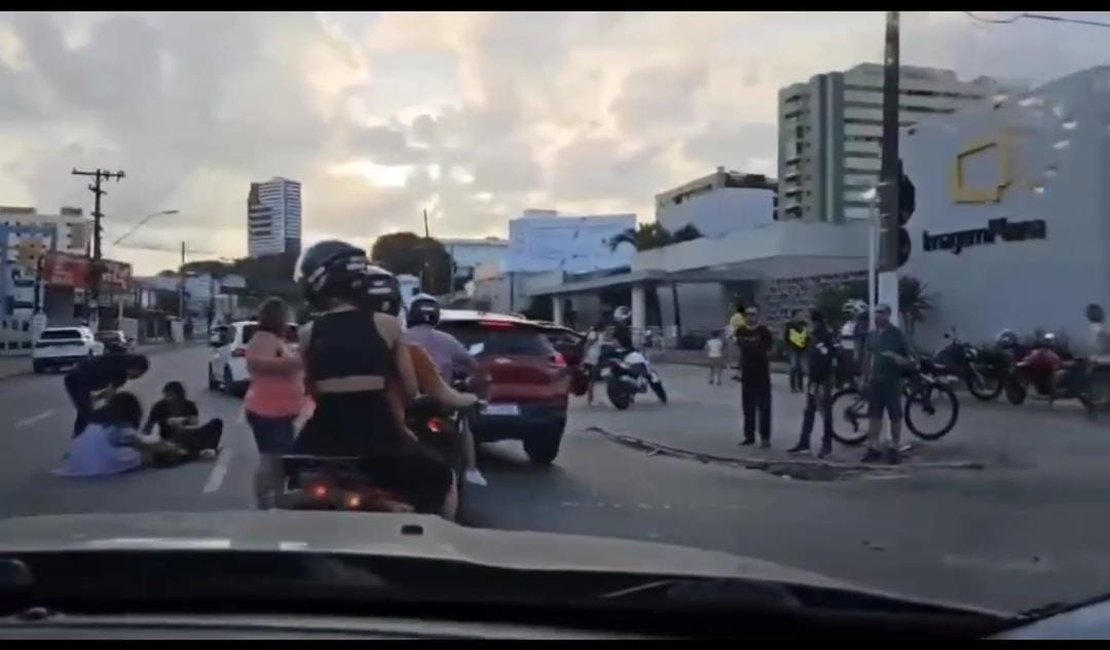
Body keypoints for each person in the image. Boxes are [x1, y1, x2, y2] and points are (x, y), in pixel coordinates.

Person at [292, 240, 457, 519]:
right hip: (380, 437)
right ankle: (438, 544)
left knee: (289, 473)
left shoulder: (308, 332)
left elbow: (308, 388)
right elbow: (410, 387)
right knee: (443, 477)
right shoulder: (388, 325)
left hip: (324, 437)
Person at [406, 293, 488, 487]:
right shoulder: (448, 340)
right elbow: (475, 367)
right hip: (441, 402)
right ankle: (471, 468)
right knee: (463, 425)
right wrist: (472, 391)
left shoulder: (400, 338)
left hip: (406, 402)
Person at [244, 297, 306, 510]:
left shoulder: (277, 340)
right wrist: (297, 362)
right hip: (267, 411)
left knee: (279, 461)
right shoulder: (262, 339)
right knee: (270, 460)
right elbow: (257, 364)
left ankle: (278, 499)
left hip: (279, 411)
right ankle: (263, 503)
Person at [55, 392, 193, 477]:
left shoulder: (97, 421)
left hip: (79, 464)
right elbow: (141, 443)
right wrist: (171, 447)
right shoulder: (118, 426)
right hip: (101, 465)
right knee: (147, 454)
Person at [861, 303, 914, 464]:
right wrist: (864, 377)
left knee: (895, 415)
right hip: (875, 381)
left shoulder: (896, 334)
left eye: (881, 313)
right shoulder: (872, 335)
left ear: (888, 315)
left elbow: (911, 358)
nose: (877, 316)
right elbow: (868, 356)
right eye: (876, 313)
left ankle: (894, 447)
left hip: (892, 381)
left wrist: (899, 359)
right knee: (874, 415)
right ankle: (873, 447)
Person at [788, 310, 839, 458]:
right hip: (813, 378)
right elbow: (797, 344)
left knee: (825, 412)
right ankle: (804, 442)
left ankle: (827, 444)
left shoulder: (825, 335)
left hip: (824, 378)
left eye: (808, 321)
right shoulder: (811, 335)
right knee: (809, 411)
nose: (807, 324)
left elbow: (834, 354)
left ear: (815, 321)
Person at [64, 353, 150, 439]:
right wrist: (111, 412)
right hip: (76, 381)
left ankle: (79, 435)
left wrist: (97, 398)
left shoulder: (121, 367)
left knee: (85, 412)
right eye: (139, 373)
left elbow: (109, 391)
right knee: (88, 414)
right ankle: (81, 437)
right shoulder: (119, 370)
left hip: (83, 383)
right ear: (134, 368)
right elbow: (110, 396)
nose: (137, 377)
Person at [142, 381, 223, 454]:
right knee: (179, 438)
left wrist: (184, 422)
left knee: (216, 422)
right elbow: (148, 426)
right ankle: (188, 449)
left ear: (179, 396)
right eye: (167, 395)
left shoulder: (189, 405)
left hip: (189, 434)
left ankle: (209, 448)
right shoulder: (159, 407)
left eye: (171, 395)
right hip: (170, 439)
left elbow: (194, 424)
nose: (169, 398)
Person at [735, 306, 773, 448]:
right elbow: (740, 351)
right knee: (748, 408)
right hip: (747, 374)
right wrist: (738, 369)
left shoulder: (764, 332)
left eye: (753, 314)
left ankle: (765, 437)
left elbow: (767, 351)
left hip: (762, 374)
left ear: (758, 316)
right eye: (747, 315)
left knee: (764, 408)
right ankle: (749, 437)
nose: (750, 317)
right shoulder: (741, 331)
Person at [784, 310, 809, 393]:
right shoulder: (790, 325)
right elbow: (787, 337)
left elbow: (807, 337)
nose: (800, 317)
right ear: (794, 316)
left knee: (801, 368)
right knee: (793, 367)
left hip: (802, 349)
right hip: (793, 348)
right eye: (798, 315)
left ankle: (800, 386)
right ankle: (793, 386)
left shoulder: (804, 325)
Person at [581, 324, 606, 404]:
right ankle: (590, 399)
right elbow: (587, 345)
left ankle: (592, 399)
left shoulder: (600, 335)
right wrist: (583, 358)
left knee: (592, 379)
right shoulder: (593, 334)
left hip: (595, 360)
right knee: (590, 380)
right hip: (589, 360)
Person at [728, 303, 748, 380]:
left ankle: (739, 374)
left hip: (736, 338)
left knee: (740, 357)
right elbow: (742, 327)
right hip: (738, 338)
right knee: (741, 357)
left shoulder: (736, 317)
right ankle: (740, 374)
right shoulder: (740, 317)